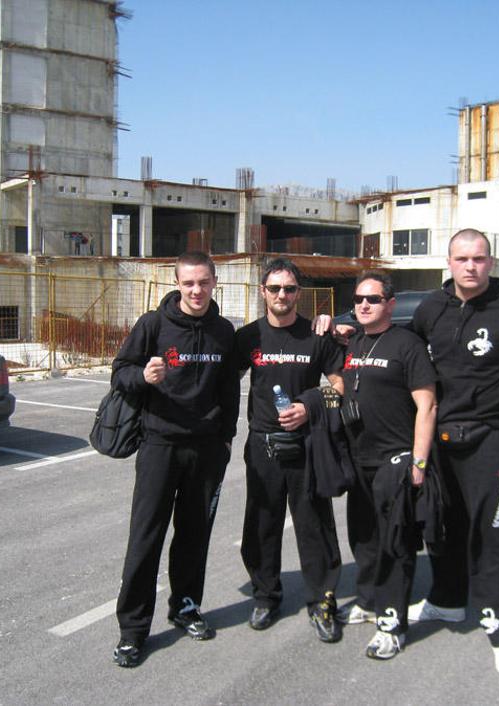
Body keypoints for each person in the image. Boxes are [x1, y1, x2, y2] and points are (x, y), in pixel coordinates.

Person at [406, 228, 499, 678]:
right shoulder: (431, 308)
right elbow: (402, 349)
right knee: (442, 526)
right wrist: (345, 330)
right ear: (448, 262)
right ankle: (448, 600)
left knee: (492, 536)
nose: (470, 266)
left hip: (491, 438)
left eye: (478, 258)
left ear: (491, 263)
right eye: (462, 258)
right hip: (441, 438)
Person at [110, 251, 240, 668]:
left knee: (194, 535)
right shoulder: (153, 324)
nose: (196, 290)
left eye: (203, 282)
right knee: (145, 538)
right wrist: (142, 376)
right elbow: (120, 372)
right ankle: (133, 630)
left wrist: (225, 441)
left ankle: (185, 607)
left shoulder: (224, 331)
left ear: (215, 282)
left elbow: (229, 390)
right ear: (177, 284)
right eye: (189, 283)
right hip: (159, 446)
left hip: (206, 450)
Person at [235, 258, 345, 642]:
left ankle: (322, 600)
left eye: (290, 288)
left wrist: (309, 406)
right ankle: (266, 595)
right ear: (263, 292)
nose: (282, 294)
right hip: (263, 447)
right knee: (261, 526)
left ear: (299, 292)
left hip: (306, 446)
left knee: (315, 527)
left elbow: (340, 385)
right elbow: (223, 380)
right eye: (275, 288)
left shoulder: (316, 336)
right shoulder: (248, 337)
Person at [339, 270, 437, 660]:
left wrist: (418, 461)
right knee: (364, 538)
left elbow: (427, 406)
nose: (364, 305)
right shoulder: (353, 343)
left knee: (395, 544)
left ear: (390, 304)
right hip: (359, 460)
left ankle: (392, 624)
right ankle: (367, 601)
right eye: (358, 299)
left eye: (373, 299)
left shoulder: (407, 345)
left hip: (395, 461)